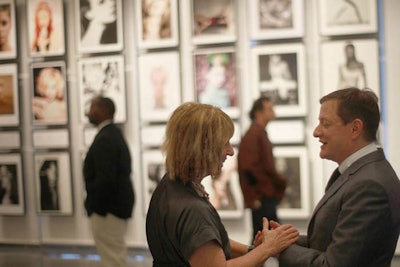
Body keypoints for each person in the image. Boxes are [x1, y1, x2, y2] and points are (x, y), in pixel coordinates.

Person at [146, 102, 298, 266]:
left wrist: (252, 250)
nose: (230, 151)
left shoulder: (171, 186)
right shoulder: (191, 208)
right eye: (225, 143)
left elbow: (207, 242)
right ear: (203, 147)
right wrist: (267, 249)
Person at [278, 87, 400, 266]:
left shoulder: (369, 185)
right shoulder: (362, 174)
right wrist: (281, 240)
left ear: (355, 129)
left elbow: (333, 264)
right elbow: (331, 243)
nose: (316, 132)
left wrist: (279, 249)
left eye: (325, 124)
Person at [83, 96, 135, 267]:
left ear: (103, 110)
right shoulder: (113, 134)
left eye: (92, 107)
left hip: (108, 210)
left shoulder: (106, 138)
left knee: (112, 258)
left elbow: (106, 179)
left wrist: (96, 208)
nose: (89, 112)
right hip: (114, 208)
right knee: (115, 254)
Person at [237, 96, 287, 242]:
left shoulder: (258, 133)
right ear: (259, 112)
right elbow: (248, 167)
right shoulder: (254, 134)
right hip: (262, 196)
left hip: (264, 194)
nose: (273, 112)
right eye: (269, 109)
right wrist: (256, 196)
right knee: (268, 237)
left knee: (267, 237)